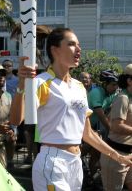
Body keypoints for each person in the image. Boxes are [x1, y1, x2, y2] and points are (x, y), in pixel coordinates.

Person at [10, 28, 132, 191]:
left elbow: (87, 133)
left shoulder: (79, 86)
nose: (78, 49)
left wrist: (116, 156)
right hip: (53, 161)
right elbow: (16, 120)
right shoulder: (41, 82)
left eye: (79, 45)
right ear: (55, 49)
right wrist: (21, 86)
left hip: (75, 162)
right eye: (72, 44)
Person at [101, 64, 132, 191]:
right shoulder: (123, 98)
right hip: (116, 157)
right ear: (129, 81)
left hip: (129, 155)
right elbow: (116, 126)